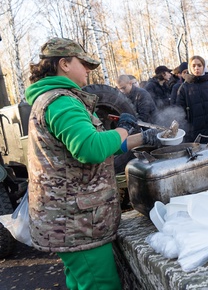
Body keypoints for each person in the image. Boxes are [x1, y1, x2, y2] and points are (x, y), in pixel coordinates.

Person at [25, 37, 160, 290]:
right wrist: (123, 128)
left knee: (81, 282)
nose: (88, 70)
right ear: (64, 64)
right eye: (83, 63)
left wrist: (139, 138)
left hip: (70, 221)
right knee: (101, 285)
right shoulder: (61, 101)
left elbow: (83, 149)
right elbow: (90, 149)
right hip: (77, 222)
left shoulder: (52, 98)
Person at [176, 55, 208, 145]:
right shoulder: (184, 88)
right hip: (195, 134)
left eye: (199, 65)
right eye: (193, 66)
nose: (196, 68)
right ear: (189, 68)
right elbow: (180, 114)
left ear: (203, 67)